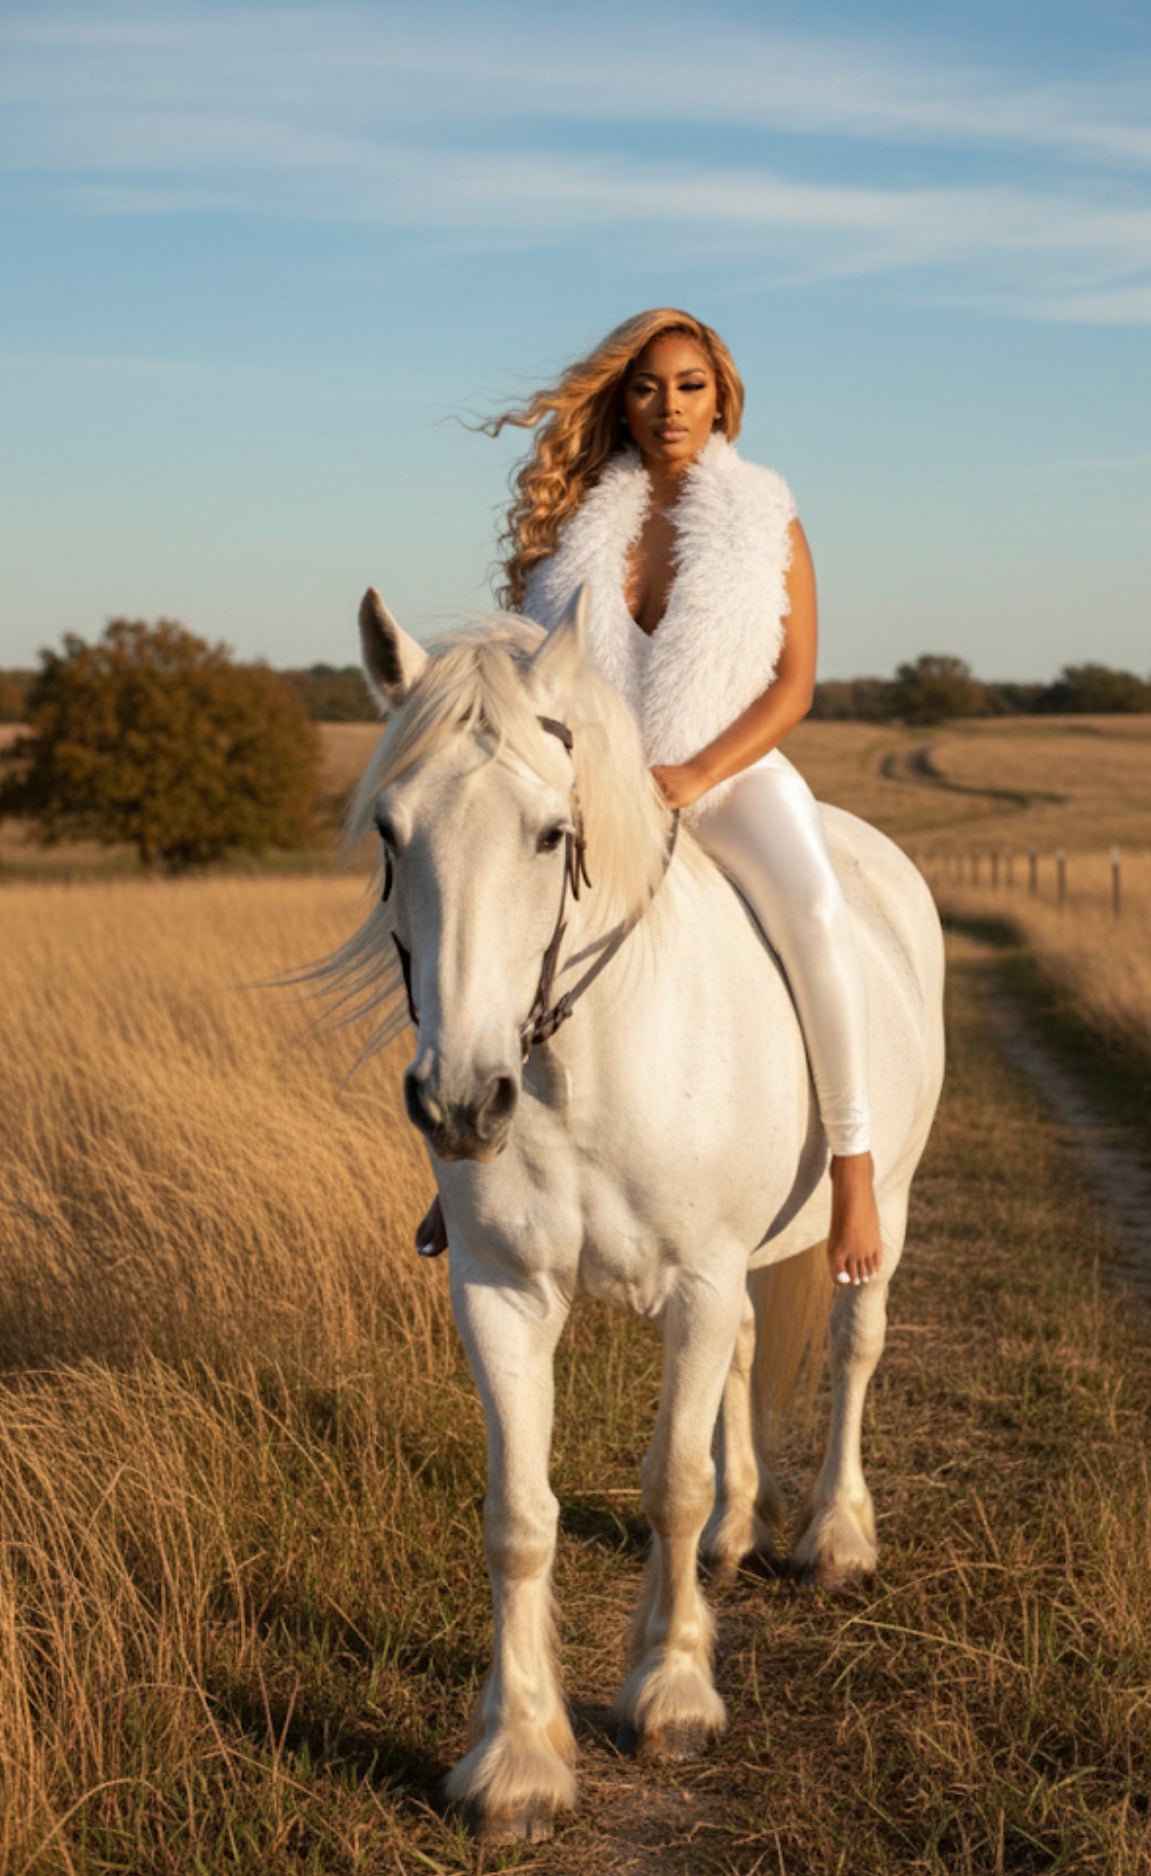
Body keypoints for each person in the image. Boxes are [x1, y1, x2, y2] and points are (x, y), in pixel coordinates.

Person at [416, 307, 882, 1288]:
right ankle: (459, 1167)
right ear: (620, 404)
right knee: (479, 905)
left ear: (721, 402)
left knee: (812, 911)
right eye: (645, 386)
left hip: (731, 775)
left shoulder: (767, 520)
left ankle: (851, 1162)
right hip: (603, 790)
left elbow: (791, 686)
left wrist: (697, 774)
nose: (666, 404)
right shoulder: (576, 533)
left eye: (688, 386)